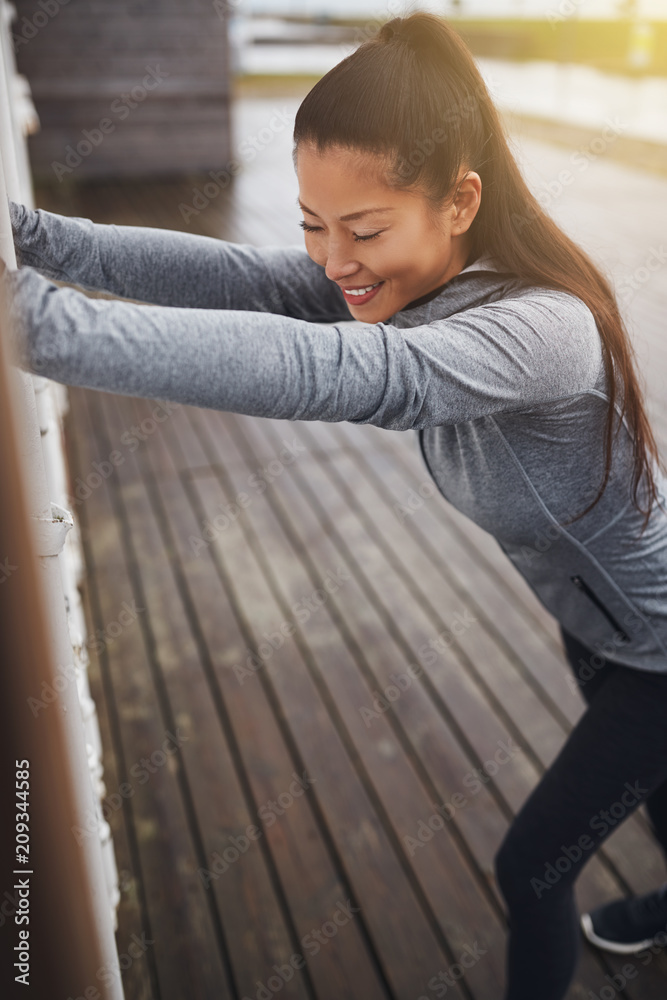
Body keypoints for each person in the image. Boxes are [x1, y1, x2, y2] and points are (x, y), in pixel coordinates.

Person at [2, 10, 667, 999]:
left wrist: (38, 325)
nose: (332, 260)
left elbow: (357, 373)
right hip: (597, 627)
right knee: (654, 797)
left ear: (459, 203)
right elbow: (246, 279)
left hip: (656, 648)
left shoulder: (543, 328)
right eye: (314, 223)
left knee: (532, 865)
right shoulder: (403, 284)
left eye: (363, 229)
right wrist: (33, 235)